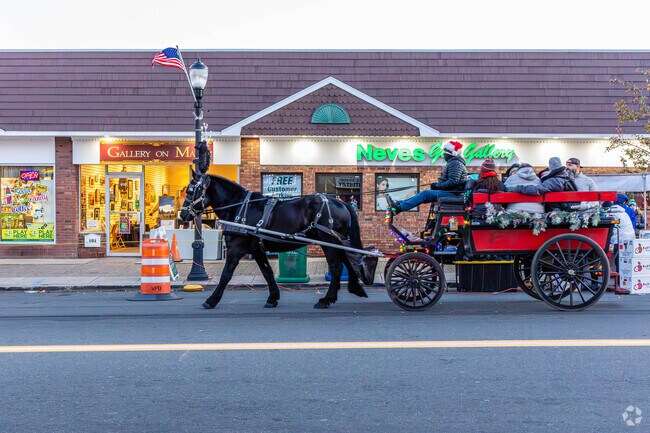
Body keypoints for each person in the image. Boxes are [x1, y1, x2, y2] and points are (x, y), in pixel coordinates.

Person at [388, 141, 468, 214]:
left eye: (445, 152)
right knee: (424, 195)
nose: (444, 154)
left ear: (452, 153)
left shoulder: (455, 163)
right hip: (452, 192)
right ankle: (399, 204)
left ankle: (400, 207)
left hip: (453, 194)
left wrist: (438, 185)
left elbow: (453, 181)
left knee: (425, 194)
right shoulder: (454, 162)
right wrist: (437, 185)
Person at [512, 157, 577, 211]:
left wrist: (518, 188)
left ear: (550, 168)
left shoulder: (553, 181)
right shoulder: (567, 177)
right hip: (570, 208)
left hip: (557, 211)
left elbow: (536, 190)